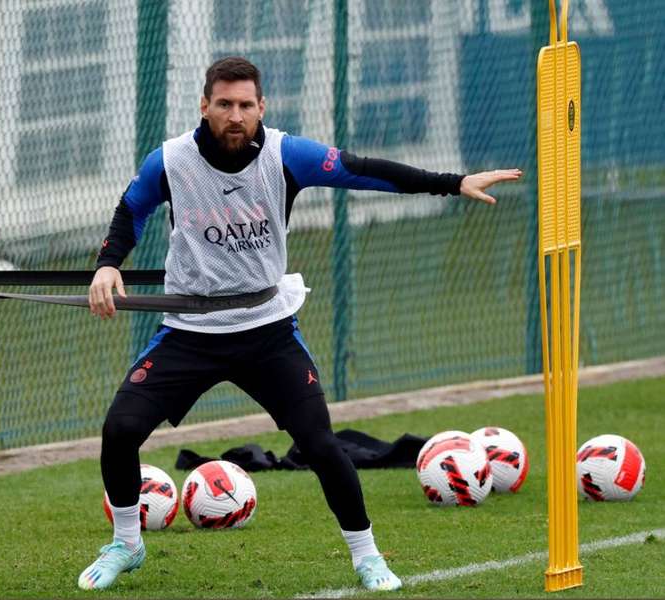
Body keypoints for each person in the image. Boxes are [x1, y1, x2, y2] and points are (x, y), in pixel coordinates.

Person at [80, 56, 521, 592]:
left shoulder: (287, 154)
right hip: (191, 331)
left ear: (261, 107)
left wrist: (454, 182)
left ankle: (367, 557)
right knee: (120, 430)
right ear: (205, 106)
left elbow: (365, 170)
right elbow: (131, 210)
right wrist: (108, 264)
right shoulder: (169, 161)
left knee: (319, 443)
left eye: (246, 105)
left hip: (267, 329)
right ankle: (127, 544)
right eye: (224, 105)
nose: (235, 115)